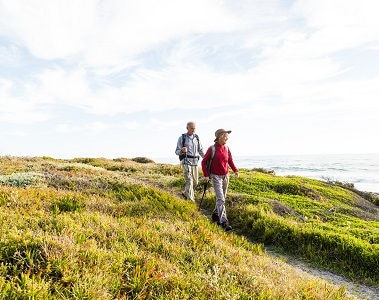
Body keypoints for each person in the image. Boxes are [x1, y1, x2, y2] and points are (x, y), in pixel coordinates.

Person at [201, 128, 239, 231]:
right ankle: (223, 221)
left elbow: (230, 160)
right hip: (216, 176)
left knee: (222, 198)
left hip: (226, 176)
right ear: (220, 137)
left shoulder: (227, 148)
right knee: (221, 199)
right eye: (225, 136)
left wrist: (235, 170)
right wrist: (206, 175)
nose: (227, 138)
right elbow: (204, 162)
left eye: (227, 136)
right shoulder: (212, 149)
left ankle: (215, 214)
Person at [175, 121, 205, 201]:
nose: (193, 130)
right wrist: (182, 150)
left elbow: (201, 150)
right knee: (189, 181)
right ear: (187, 128)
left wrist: (205, 158)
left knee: (196, 183)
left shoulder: (197, 138)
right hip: (186, 162)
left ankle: (185, 192)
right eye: (192, 128)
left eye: (194, 128)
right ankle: (191, 201)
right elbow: (176, 151)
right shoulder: (182, 138)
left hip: (195, 163)